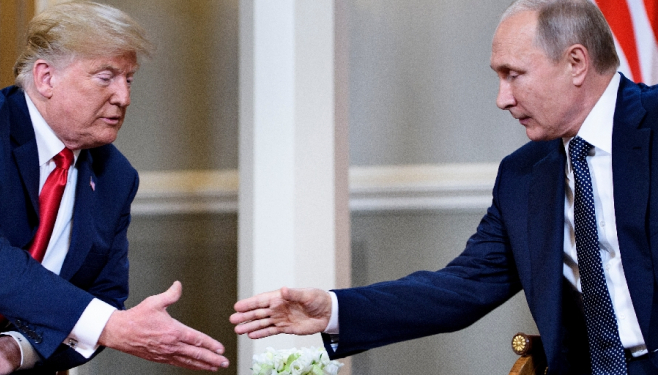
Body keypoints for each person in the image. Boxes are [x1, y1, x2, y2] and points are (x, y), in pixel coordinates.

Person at [230, 0, 658, 374]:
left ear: (576, 63)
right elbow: (462, 287)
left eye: (514, 74)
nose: (502, 98)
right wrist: (335, 309)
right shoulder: (523, 175)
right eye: (498, 76)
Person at [0, 2, 229, 374]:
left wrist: (13, 350)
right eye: (105, 77)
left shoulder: (115, 176)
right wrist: (111, 326)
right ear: (46, 78)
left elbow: (103, 297)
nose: (123, 97)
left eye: (129, 79)